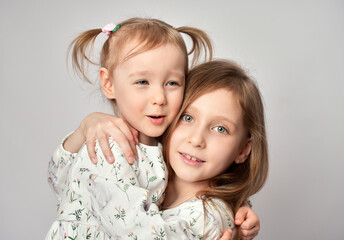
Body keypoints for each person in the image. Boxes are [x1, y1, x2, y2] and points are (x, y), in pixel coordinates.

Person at [46, 17, 259, 240]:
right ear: (108, 83)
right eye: (142, 82)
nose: (159, 98)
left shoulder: (160, 151)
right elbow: (62, 184)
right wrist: (83, 131)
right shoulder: (111, 147)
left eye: (172, 83)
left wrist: (236, 206)